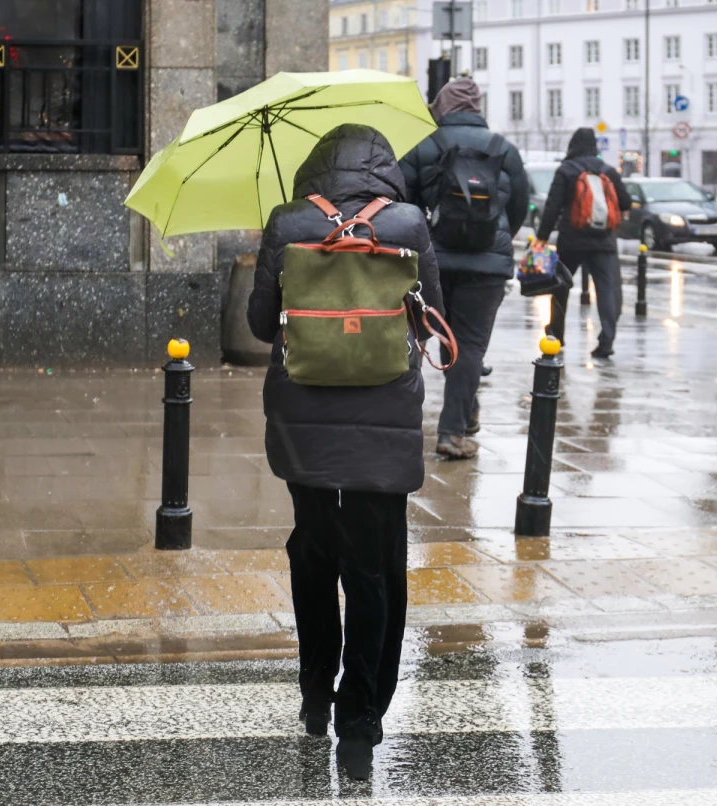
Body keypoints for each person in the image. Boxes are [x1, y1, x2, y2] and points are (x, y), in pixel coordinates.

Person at [247, 124, 444, 781]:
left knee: (312, 549)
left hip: (303, 416)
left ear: (315, 168)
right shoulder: (408, 224)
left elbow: (259, 324)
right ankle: (359, 721)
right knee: (374, 566)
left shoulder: (288, 221)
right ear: (385, 168)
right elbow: (432, 321)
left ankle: (314, 695)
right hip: (384, 418)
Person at [400, 78, 529, 460]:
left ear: (441, 106)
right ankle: (453, 431)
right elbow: (519, 206)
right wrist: (496, 238)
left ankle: (404, 422)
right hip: (487, 266)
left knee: (420, 336)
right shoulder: (503, 149)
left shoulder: (423, 145)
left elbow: (403, 201)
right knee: (469, 345)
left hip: (432, 260)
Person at [533, 127, 632, 360]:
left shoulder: (566, 170)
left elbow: (553, 206)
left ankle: (556, 334)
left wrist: (542, 237)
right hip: (604, 241)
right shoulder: (608, 171)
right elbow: (625, 202)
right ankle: (606, 341)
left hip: (572, 239)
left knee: (561, 286)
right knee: (608, 290)